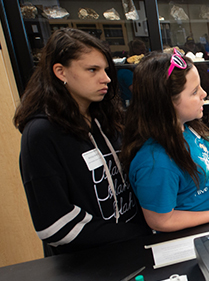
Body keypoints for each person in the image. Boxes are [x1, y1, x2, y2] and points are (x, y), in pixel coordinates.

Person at [13, 28, 151, 254]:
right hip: (87, 263)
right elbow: (54, 226)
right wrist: (138, 233)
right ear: (61, 72)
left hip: (132, 250)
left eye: (105, 70)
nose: (105, 78)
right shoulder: (41, 134)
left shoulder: (104, 118)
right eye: (92, 70)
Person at [121, 50, 209, 232]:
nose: (204, 94)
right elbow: (160, 220)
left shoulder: (189, 127)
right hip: (195, 234)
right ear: (166, 102)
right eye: (194, 92)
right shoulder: (156, 162)